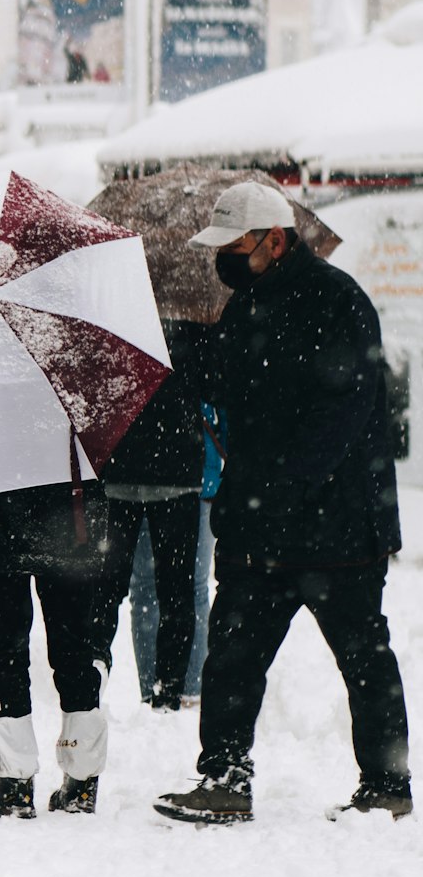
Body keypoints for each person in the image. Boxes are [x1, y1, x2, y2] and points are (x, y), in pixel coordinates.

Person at [155, 181, 412, 824]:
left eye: (235, 245)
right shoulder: (243, 307)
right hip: (259, 527)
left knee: (362, 656)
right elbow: (234, 393)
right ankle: (223, 780)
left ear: (276, 239)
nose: (226, 260)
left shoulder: (339, 300)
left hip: (341, 527)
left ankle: (386, 786)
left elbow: (343, 414)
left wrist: (280, 495)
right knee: (233, 656)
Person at [0, 478, 109, 819]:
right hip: (69, 514)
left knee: (6, 654)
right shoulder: (70, 424)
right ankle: (82, 779)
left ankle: (15, 779)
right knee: (75, 652)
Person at [90, 319, 208, 714]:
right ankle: (168, 691)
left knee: (111, 586)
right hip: (175, 471)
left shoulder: (114, 316)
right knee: (177, 589)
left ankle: (95, 669)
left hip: (119, 466)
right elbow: (215, 384)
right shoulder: (194, 323)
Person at [128, 401, 226, 707]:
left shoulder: (145, 359)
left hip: (149, 473)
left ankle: (164, 691)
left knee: (149, 590)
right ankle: (184, 690)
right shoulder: (201, 358)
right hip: (193, 475)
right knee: (187, 588)